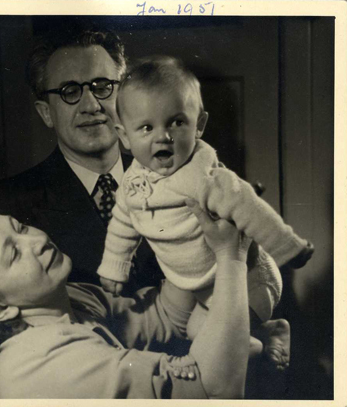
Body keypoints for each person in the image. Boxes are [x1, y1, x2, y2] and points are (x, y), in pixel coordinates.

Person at [0, 194, 253, 399]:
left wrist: (187, 228)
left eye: (21, 228)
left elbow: (163, 316)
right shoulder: (46, 366)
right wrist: (231, 256)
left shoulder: (64, 299)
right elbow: (215, 389)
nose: (36, 241)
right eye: (13, 255)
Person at [97, 55, 314, 369]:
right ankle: (266, 335)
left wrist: (287, 248)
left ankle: (265, 336)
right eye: (146, 127)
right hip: (198, 288)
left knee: (218, 341)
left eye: (177, 122)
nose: (163, 136)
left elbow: (253, 210)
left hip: (249, 282)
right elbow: (123, 223)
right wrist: (114, 267)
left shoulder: (207, 179)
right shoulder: (133, 182)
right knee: (198, 335)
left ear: (199, 125)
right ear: (124, 136)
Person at [0, 27, 164, 293]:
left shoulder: (171, 178)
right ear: (46, 113)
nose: (91, 105)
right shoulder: (4, 207)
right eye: (69, 91)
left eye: (102, 87)